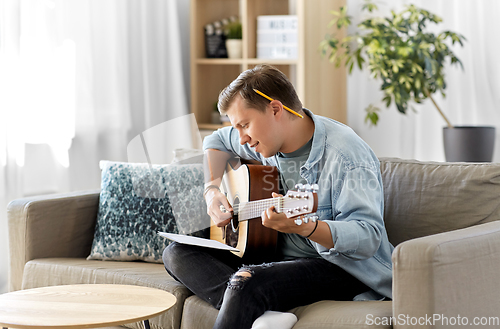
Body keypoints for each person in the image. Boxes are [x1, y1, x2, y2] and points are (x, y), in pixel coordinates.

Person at [163, 64, 394, 329]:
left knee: (245, 283)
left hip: (337, 265)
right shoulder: (265, 136)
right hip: (271, 252)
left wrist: (306, 227)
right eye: (236, 127)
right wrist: (211, 191)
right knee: (177, 252)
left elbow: (368, 236)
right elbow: (215, 141)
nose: (242, 138)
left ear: (275, 109)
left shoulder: (346, 155)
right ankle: (261, 313)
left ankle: (249, 300)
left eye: (245, 125)